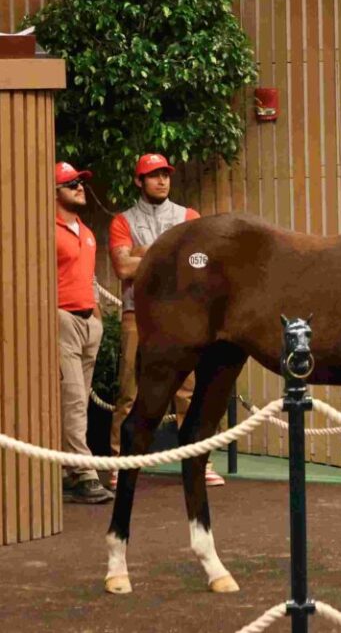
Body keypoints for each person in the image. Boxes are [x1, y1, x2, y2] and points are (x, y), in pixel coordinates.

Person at [108, 153, 224, 488]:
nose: (162, 180)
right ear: (138, 181)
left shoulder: (189, 217)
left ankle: (199, 461)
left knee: (189, 392)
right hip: (137, 315)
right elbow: (123, 269)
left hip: (183, 317)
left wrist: (145, 252)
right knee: (129, 390)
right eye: (153, 175)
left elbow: (201, 264)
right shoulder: (122, 221)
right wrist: (171, 256)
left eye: (165, 174)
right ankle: (119, 462)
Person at [55, 161, 115, 504]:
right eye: (71, 183)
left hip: (88, 323)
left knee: (75, 400)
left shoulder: (89, 233)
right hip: (61, 320)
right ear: (54, 193)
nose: (80, 187)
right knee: (75, 399)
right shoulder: (44, 229)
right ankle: (83, 472)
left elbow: (89, 279)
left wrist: (97, 318)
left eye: (80, 182)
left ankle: (65, 469)